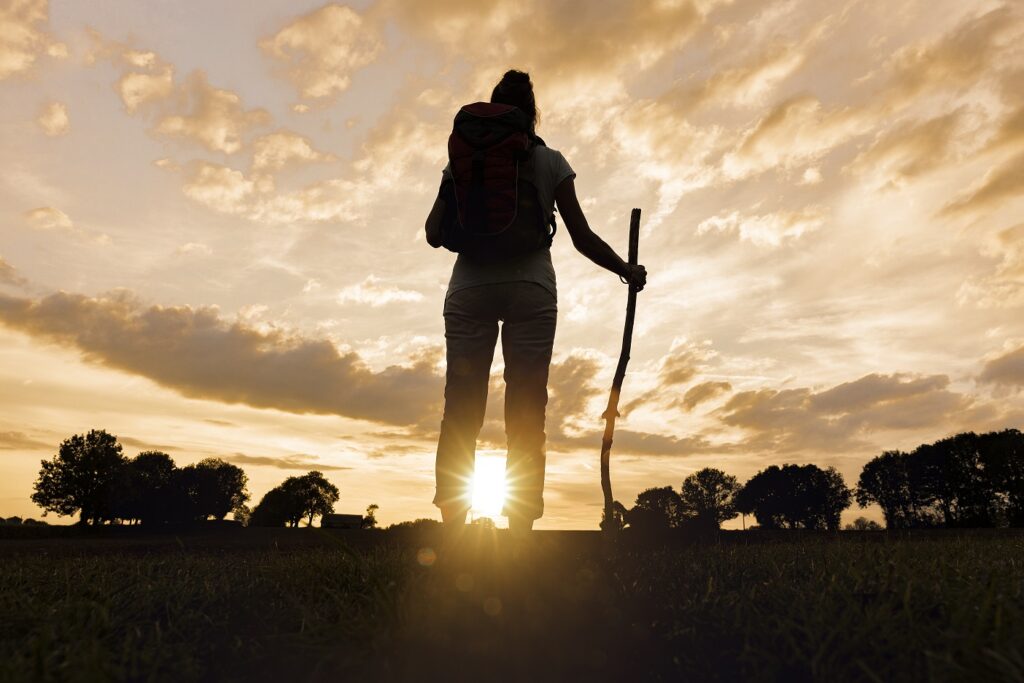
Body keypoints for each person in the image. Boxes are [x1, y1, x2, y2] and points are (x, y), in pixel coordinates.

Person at [425, 70, 647, 533]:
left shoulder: (460, 161)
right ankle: (520, 529)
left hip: (468, 290)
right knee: (526, 407)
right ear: (531, 115)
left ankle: (452, 526)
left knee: (461, 405)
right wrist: (624, 268)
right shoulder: (551, 161)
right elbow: (581, 237)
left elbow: (432, 233)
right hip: (532, 290)